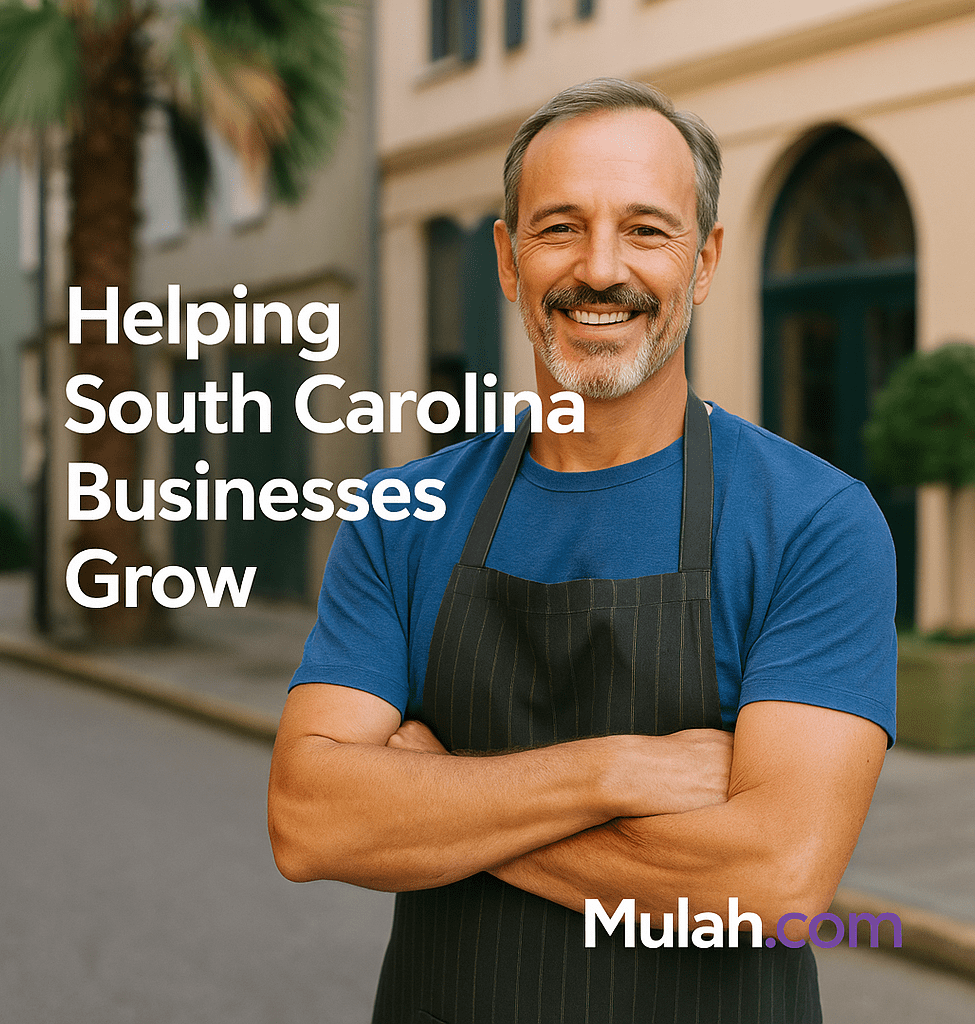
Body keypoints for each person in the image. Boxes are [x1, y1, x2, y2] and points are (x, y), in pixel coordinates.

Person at [267, 79, 896, 1023]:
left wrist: (435, 796)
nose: (601, 269)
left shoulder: (813, 522)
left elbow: (773, 883)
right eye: (559, 227)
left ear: (705, 260)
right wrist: (612, 772)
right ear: (507, 259)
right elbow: (309, 821)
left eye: (647, 230)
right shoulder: (402, 515)